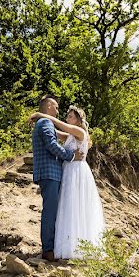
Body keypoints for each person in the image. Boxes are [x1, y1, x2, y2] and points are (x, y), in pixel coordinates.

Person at [30, 105, 106, 260]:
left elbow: (60, 125)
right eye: (67, 116)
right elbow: (55, 132)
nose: (67, 118)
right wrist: (41, 125)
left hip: (77, 171)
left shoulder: (79, 132)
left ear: (78, 120)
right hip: (68, 171)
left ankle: (77, 246)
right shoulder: (71, 135)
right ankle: (66, 244)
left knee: (75, 206)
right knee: (66, 207)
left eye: (71, 116)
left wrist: (41, 115)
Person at [31, 96, 84, 261]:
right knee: (50, 211)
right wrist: (70, 156)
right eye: (56, 107)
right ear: (48, 106)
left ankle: (56, 246)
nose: (58, 111)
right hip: (49, 173)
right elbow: (52, 146)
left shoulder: (47, 123)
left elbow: (59, 136)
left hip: (52, 173)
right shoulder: (45, 123)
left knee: (56, 211)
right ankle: (48, 249)